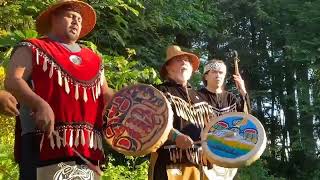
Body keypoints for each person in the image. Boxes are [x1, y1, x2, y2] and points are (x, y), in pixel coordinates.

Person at [5, 0, 113, 179]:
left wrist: (128, 101)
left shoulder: (93, 59)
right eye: (71, 16)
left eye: (79, 18)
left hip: (88, 150)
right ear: (53, 18)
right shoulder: (33, 47)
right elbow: (13, 81)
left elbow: (105, 93)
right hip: (42, 144)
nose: (76, 21)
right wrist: (40, 104)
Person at [149, 45, 210, 180]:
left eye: (187, 60)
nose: (184, 62)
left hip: (198, 166)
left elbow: (210, 128)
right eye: (178, 60)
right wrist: (175, 136)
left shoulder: (200, 97)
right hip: (169, 163)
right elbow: (150, 124)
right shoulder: (159, 92)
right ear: (168, 68)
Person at [197, 59, 251, 179]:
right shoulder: (197, 97)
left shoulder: (230, 98)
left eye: (221, 73)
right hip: (206, 154)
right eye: (214, 72)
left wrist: (243, 91)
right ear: (206, 76)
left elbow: (244, 119)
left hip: (228, 153)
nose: (218, 75)